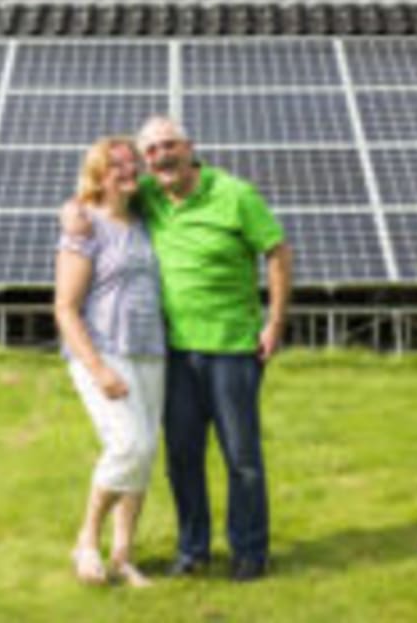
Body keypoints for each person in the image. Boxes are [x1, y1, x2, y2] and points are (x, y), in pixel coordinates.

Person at [64, 115, 293, 582]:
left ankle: (250, 552)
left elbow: (277, 251)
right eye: (150, 151)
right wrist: (71, 210)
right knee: (181, 457)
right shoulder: (149, 196)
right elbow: (97, 196)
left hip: (232, 347)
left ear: (190, 147)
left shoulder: (235, 194)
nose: (159, 157)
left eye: (168, 145)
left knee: (241, 456)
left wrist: (275, 320)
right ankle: (193, 551)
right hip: (172, 353)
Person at [53, 135, 166, 587]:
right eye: (117, 165)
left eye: (132, 162)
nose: (129, 170)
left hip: (151, 351)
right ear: (99, 175)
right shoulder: (84, 227)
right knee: (128, 445)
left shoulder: (144, 221)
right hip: (104, 351)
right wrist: (98, 368)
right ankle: (86, 540)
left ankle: (123, 555)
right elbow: (64, 306)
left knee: (144, 454)